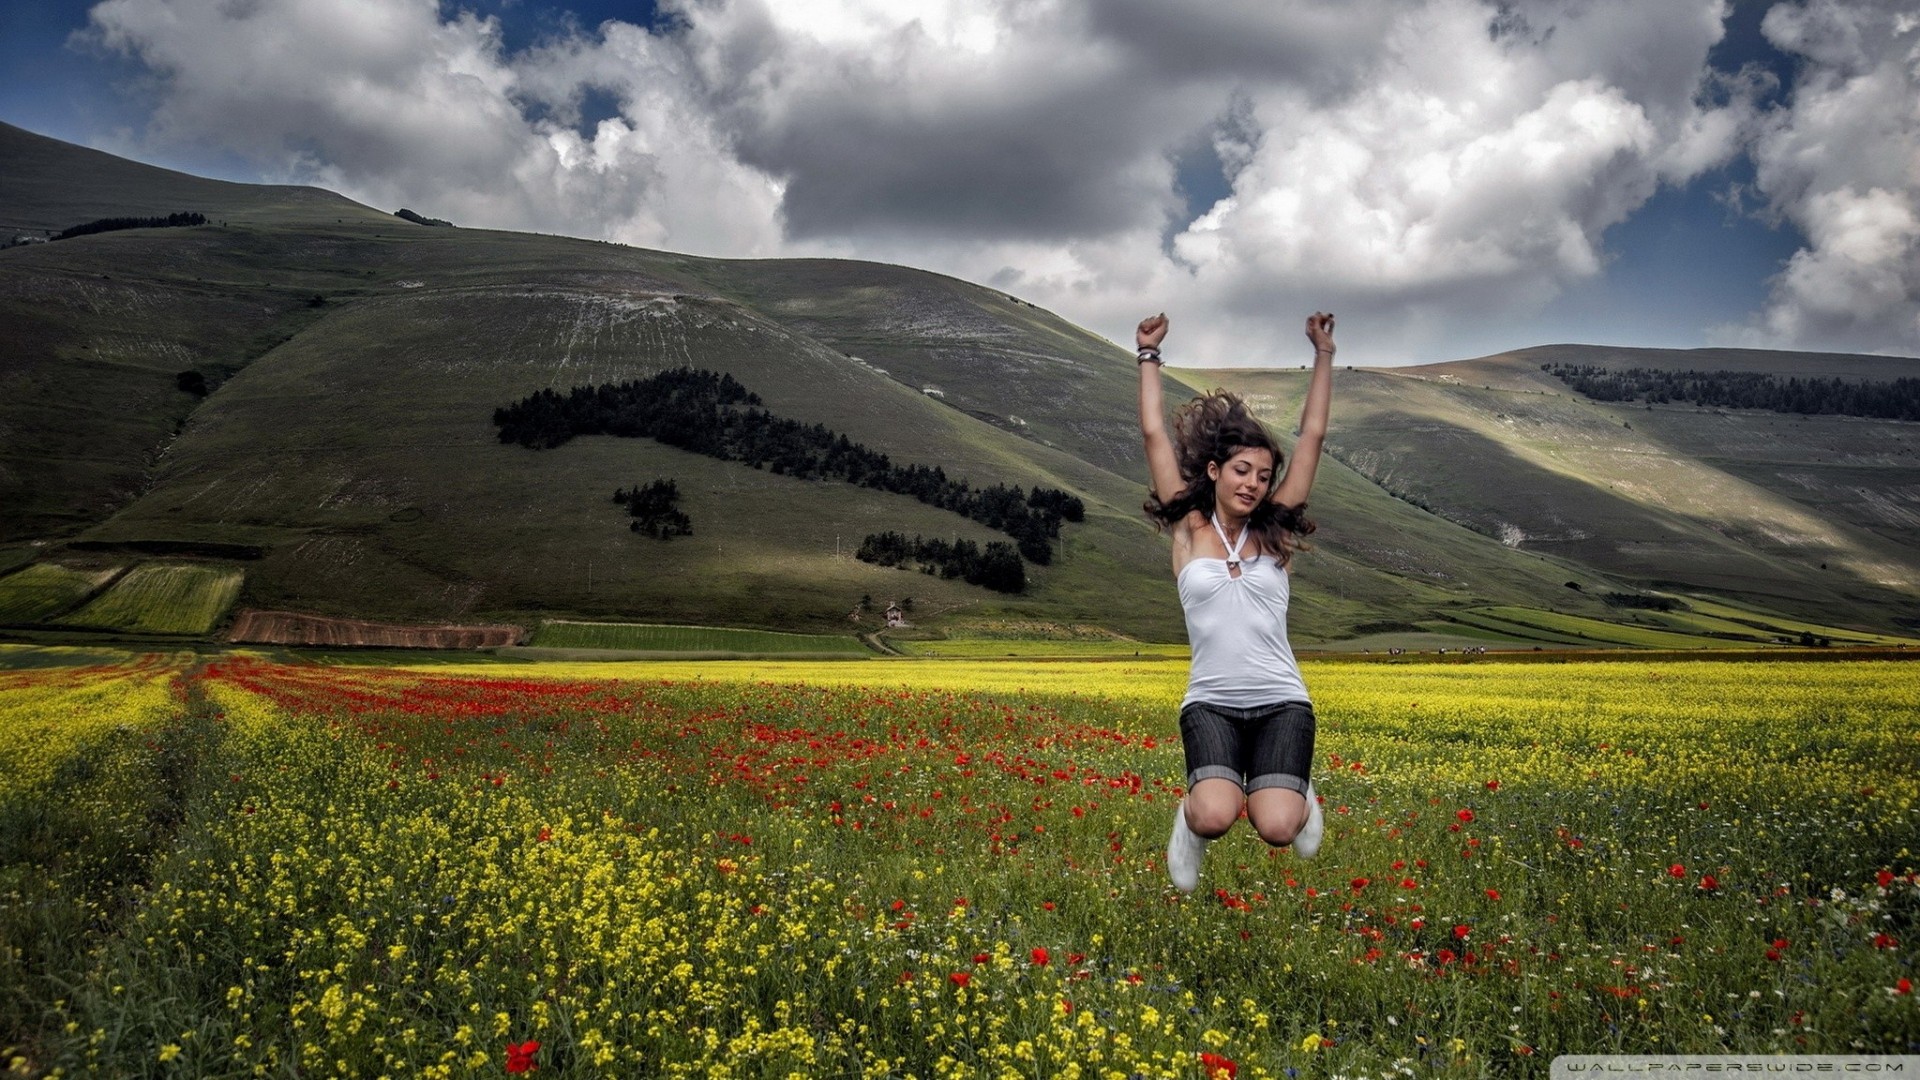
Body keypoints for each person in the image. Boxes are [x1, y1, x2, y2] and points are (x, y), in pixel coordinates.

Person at [1134, 310, 1336, 892]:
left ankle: (1298, 794)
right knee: (1216, 815)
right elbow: (1153, 435)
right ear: (1217, 470)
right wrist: (1148, 355)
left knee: (1277, 828)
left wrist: (1323, 352)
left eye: (1264, 475)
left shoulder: (1274, 532)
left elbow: (1314, 438)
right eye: (1242, 470)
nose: (1252, 483)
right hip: (1212, 703)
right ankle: (1188, 822)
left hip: (1282, 702)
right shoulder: (1188, 527)